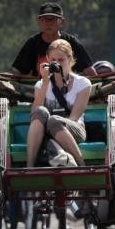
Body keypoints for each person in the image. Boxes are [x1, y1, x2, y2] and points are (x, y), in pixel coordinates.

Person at [26, 39, 91, 168]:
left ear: (70, 60)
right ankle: (29, 167)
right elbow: (34, 113)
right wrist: (45, 81)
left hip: (74, 129)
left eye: (61, 60)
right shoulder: (40, 84)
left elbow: (74, 118)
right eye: (53, 60)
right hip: (46, 131)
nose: (57, 64)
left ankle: (81, 164)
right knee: (40, 111)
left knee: (54, 120)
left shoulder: (83, 84)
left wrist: (55, 122)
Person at [13, 1, 96, 77]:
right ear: (39, 21)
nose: (48, 23)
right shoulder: (32, 43)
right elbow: (18, 74)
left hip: (68, 91)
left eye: (53, 19)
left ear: (62, 22)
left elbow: (89, 72)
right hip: (40, 91)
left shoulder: (72, 43)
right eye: (44, 19)